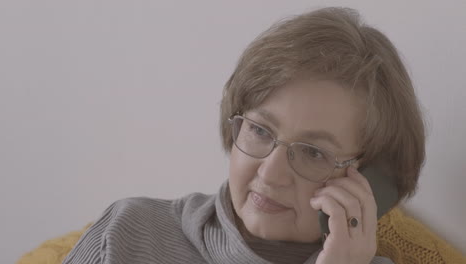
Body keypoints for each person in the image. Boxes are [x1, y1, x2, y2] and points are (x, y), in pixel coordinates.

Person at [63, 7, 425, 264]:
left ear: (373, 183)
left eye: (313, 152)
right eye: (259, 130)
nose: (270, 173)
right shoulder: (130, 231)